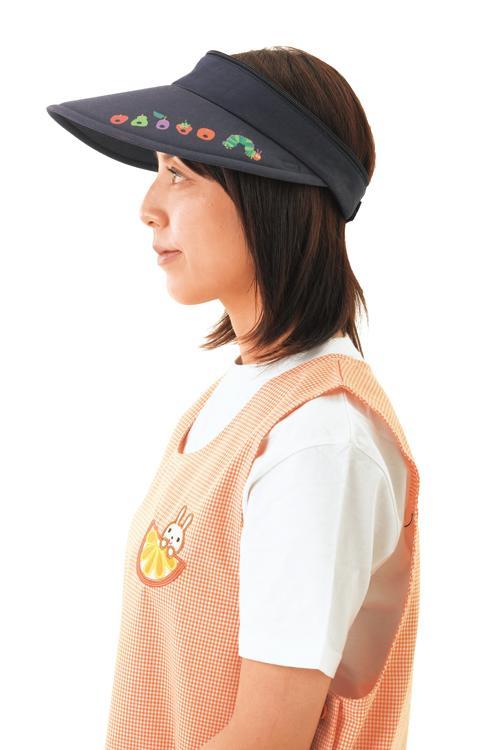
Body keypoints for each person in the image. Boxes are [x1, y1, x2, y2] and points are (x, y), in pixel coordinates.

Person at [46, 46, 420, 750]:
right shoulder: (242, 400)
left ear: (268, 191)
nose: (148, 208)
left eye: (179, 174)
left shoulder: (316, 438)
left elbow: (265, 738)